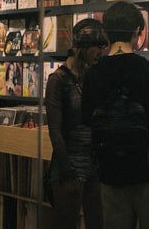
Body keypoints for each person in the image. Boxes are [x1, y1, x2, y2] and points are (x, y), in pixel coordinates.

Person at [81, 2, 149, 229]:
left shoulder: (92, 75)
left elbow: (87, 122)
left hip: (110, 174)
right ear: (137, 31)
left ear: (106, 33)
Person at [45, 18, 108, 229]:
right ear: (84, 48)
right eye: (96, 48)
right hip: (69, 162)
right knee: (66, 223)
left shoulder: (91, 77)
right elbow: (55, 131)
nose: (100, 53)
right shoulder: (58, 80)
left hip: (93, 162)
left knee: (97, 221)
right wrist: (67, 171)